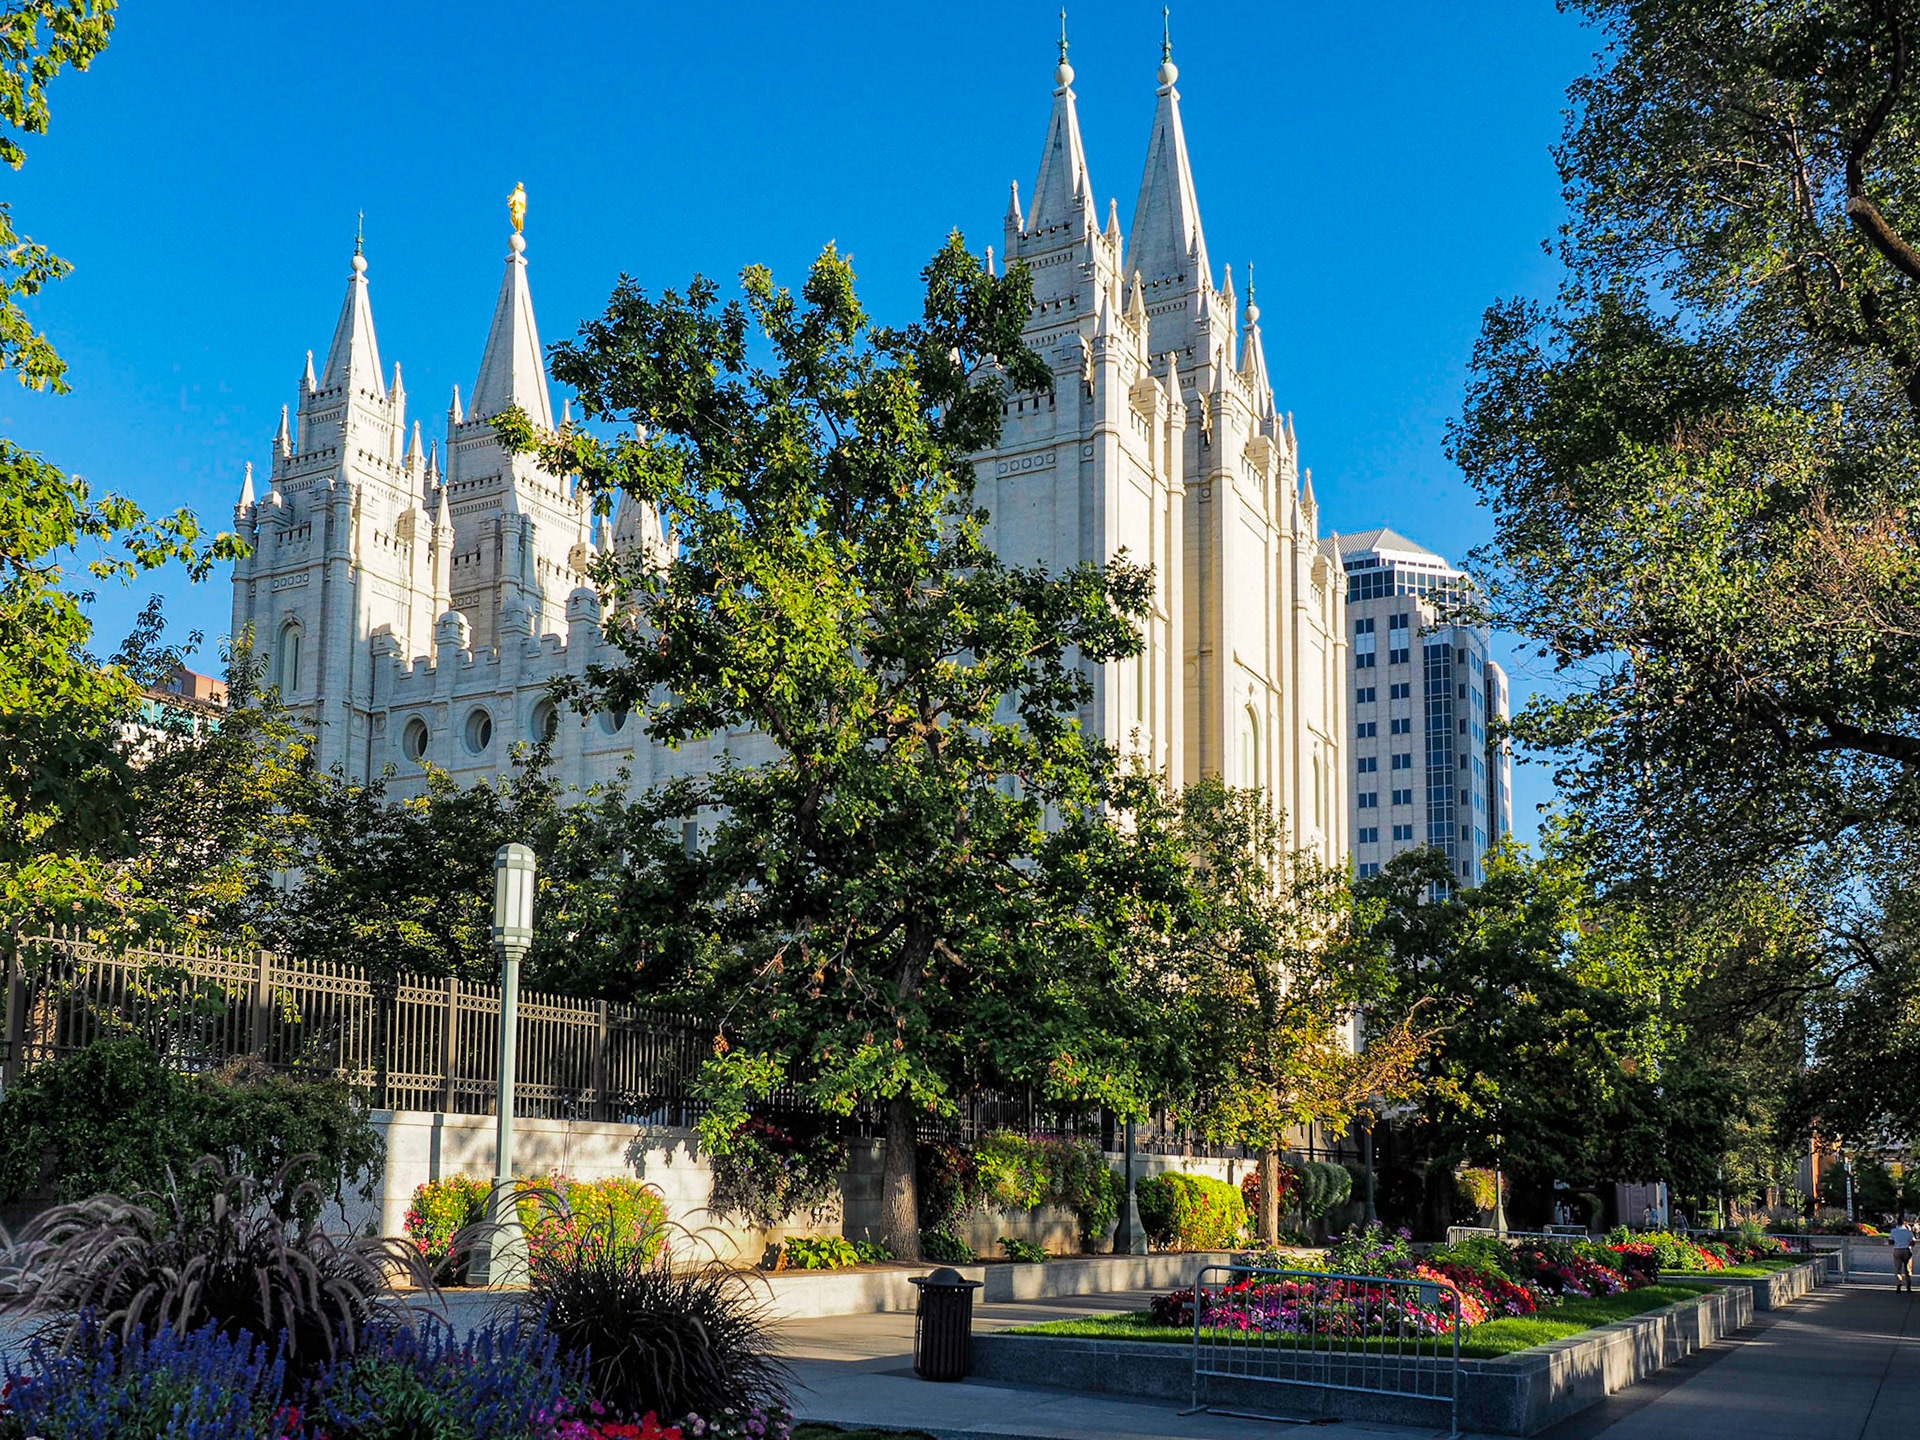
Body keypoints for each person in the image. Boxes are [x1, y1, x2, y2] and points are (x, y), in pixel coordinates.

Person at [1891, 1216, 1914, 1292]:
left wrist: (1897, 1242)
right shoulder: (1908, 1232)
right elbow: (1913, 1242)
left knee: (1898, 1269)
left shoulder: (1894, 1231)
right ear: (1905, 1223)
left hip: (1897, 1250)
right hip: (1906, 1250)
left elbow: (1890, 1241)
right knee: (1908, 1269)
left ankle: (1898, 1285)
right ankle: (1908, 1287)